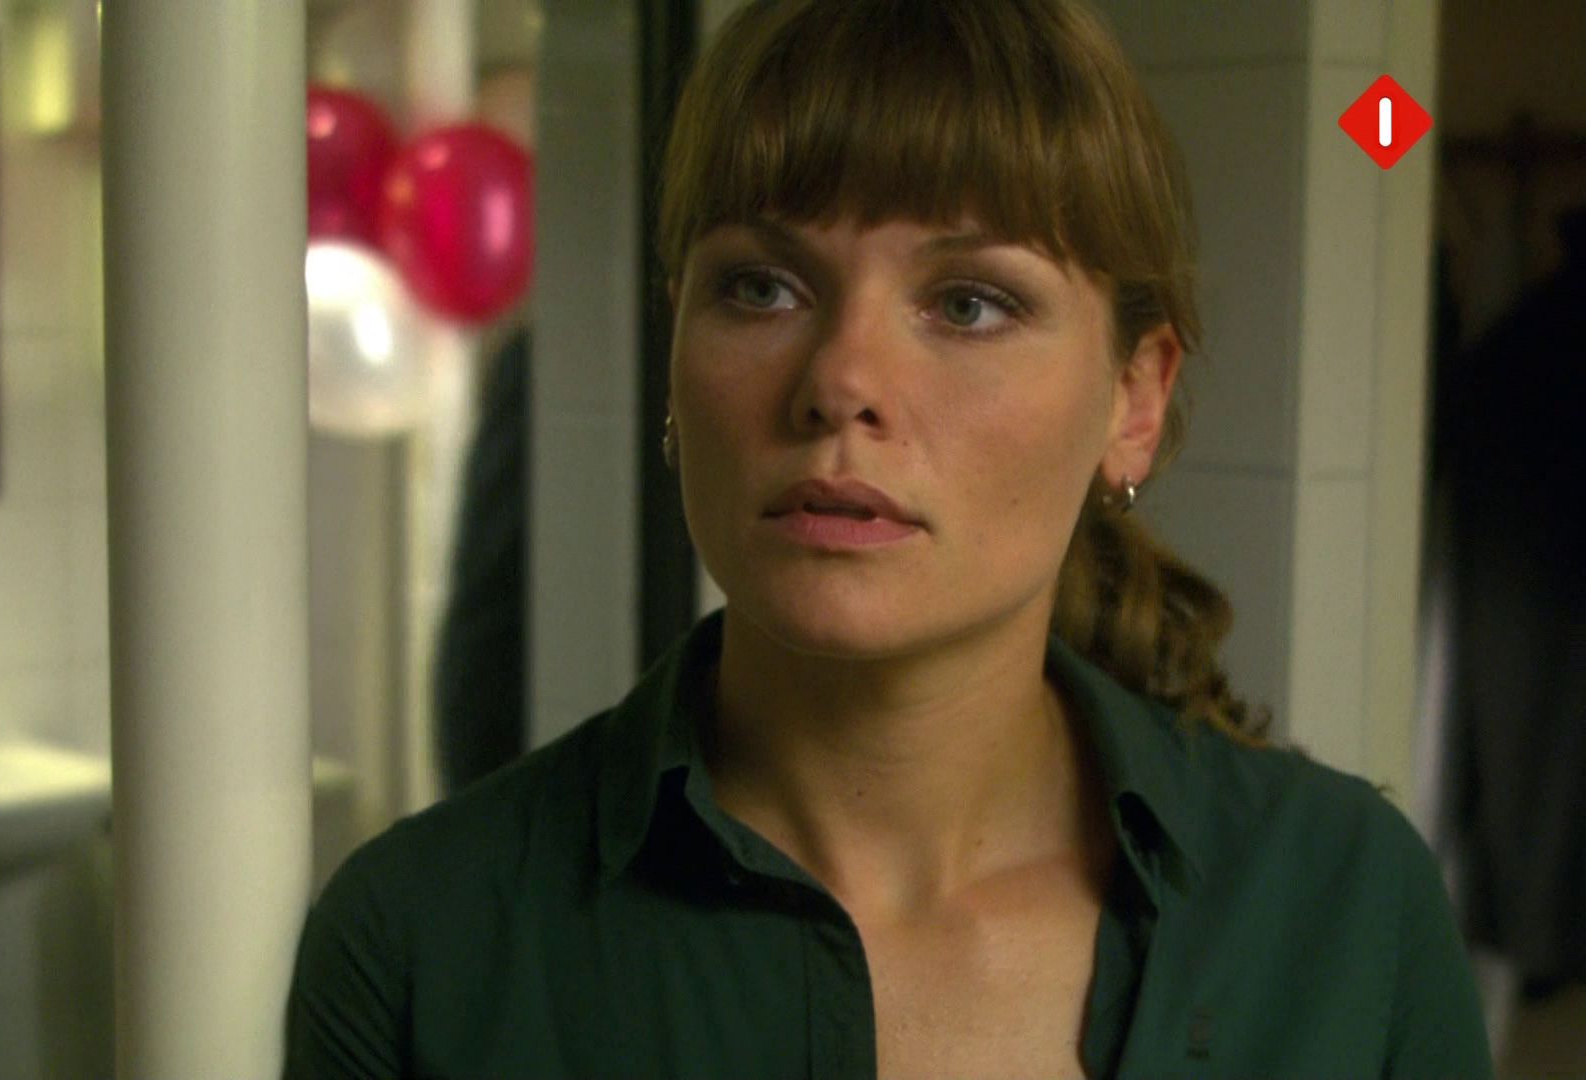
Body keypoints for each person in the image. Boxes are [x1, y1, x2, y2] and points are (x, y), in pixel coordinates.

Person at [286, 1, 1491, 1076]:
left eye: (969, 304)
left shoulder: (1347, 909)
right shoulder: (422, 945)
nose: (841, 382)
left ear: (1135, 401)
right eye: (761, 288)